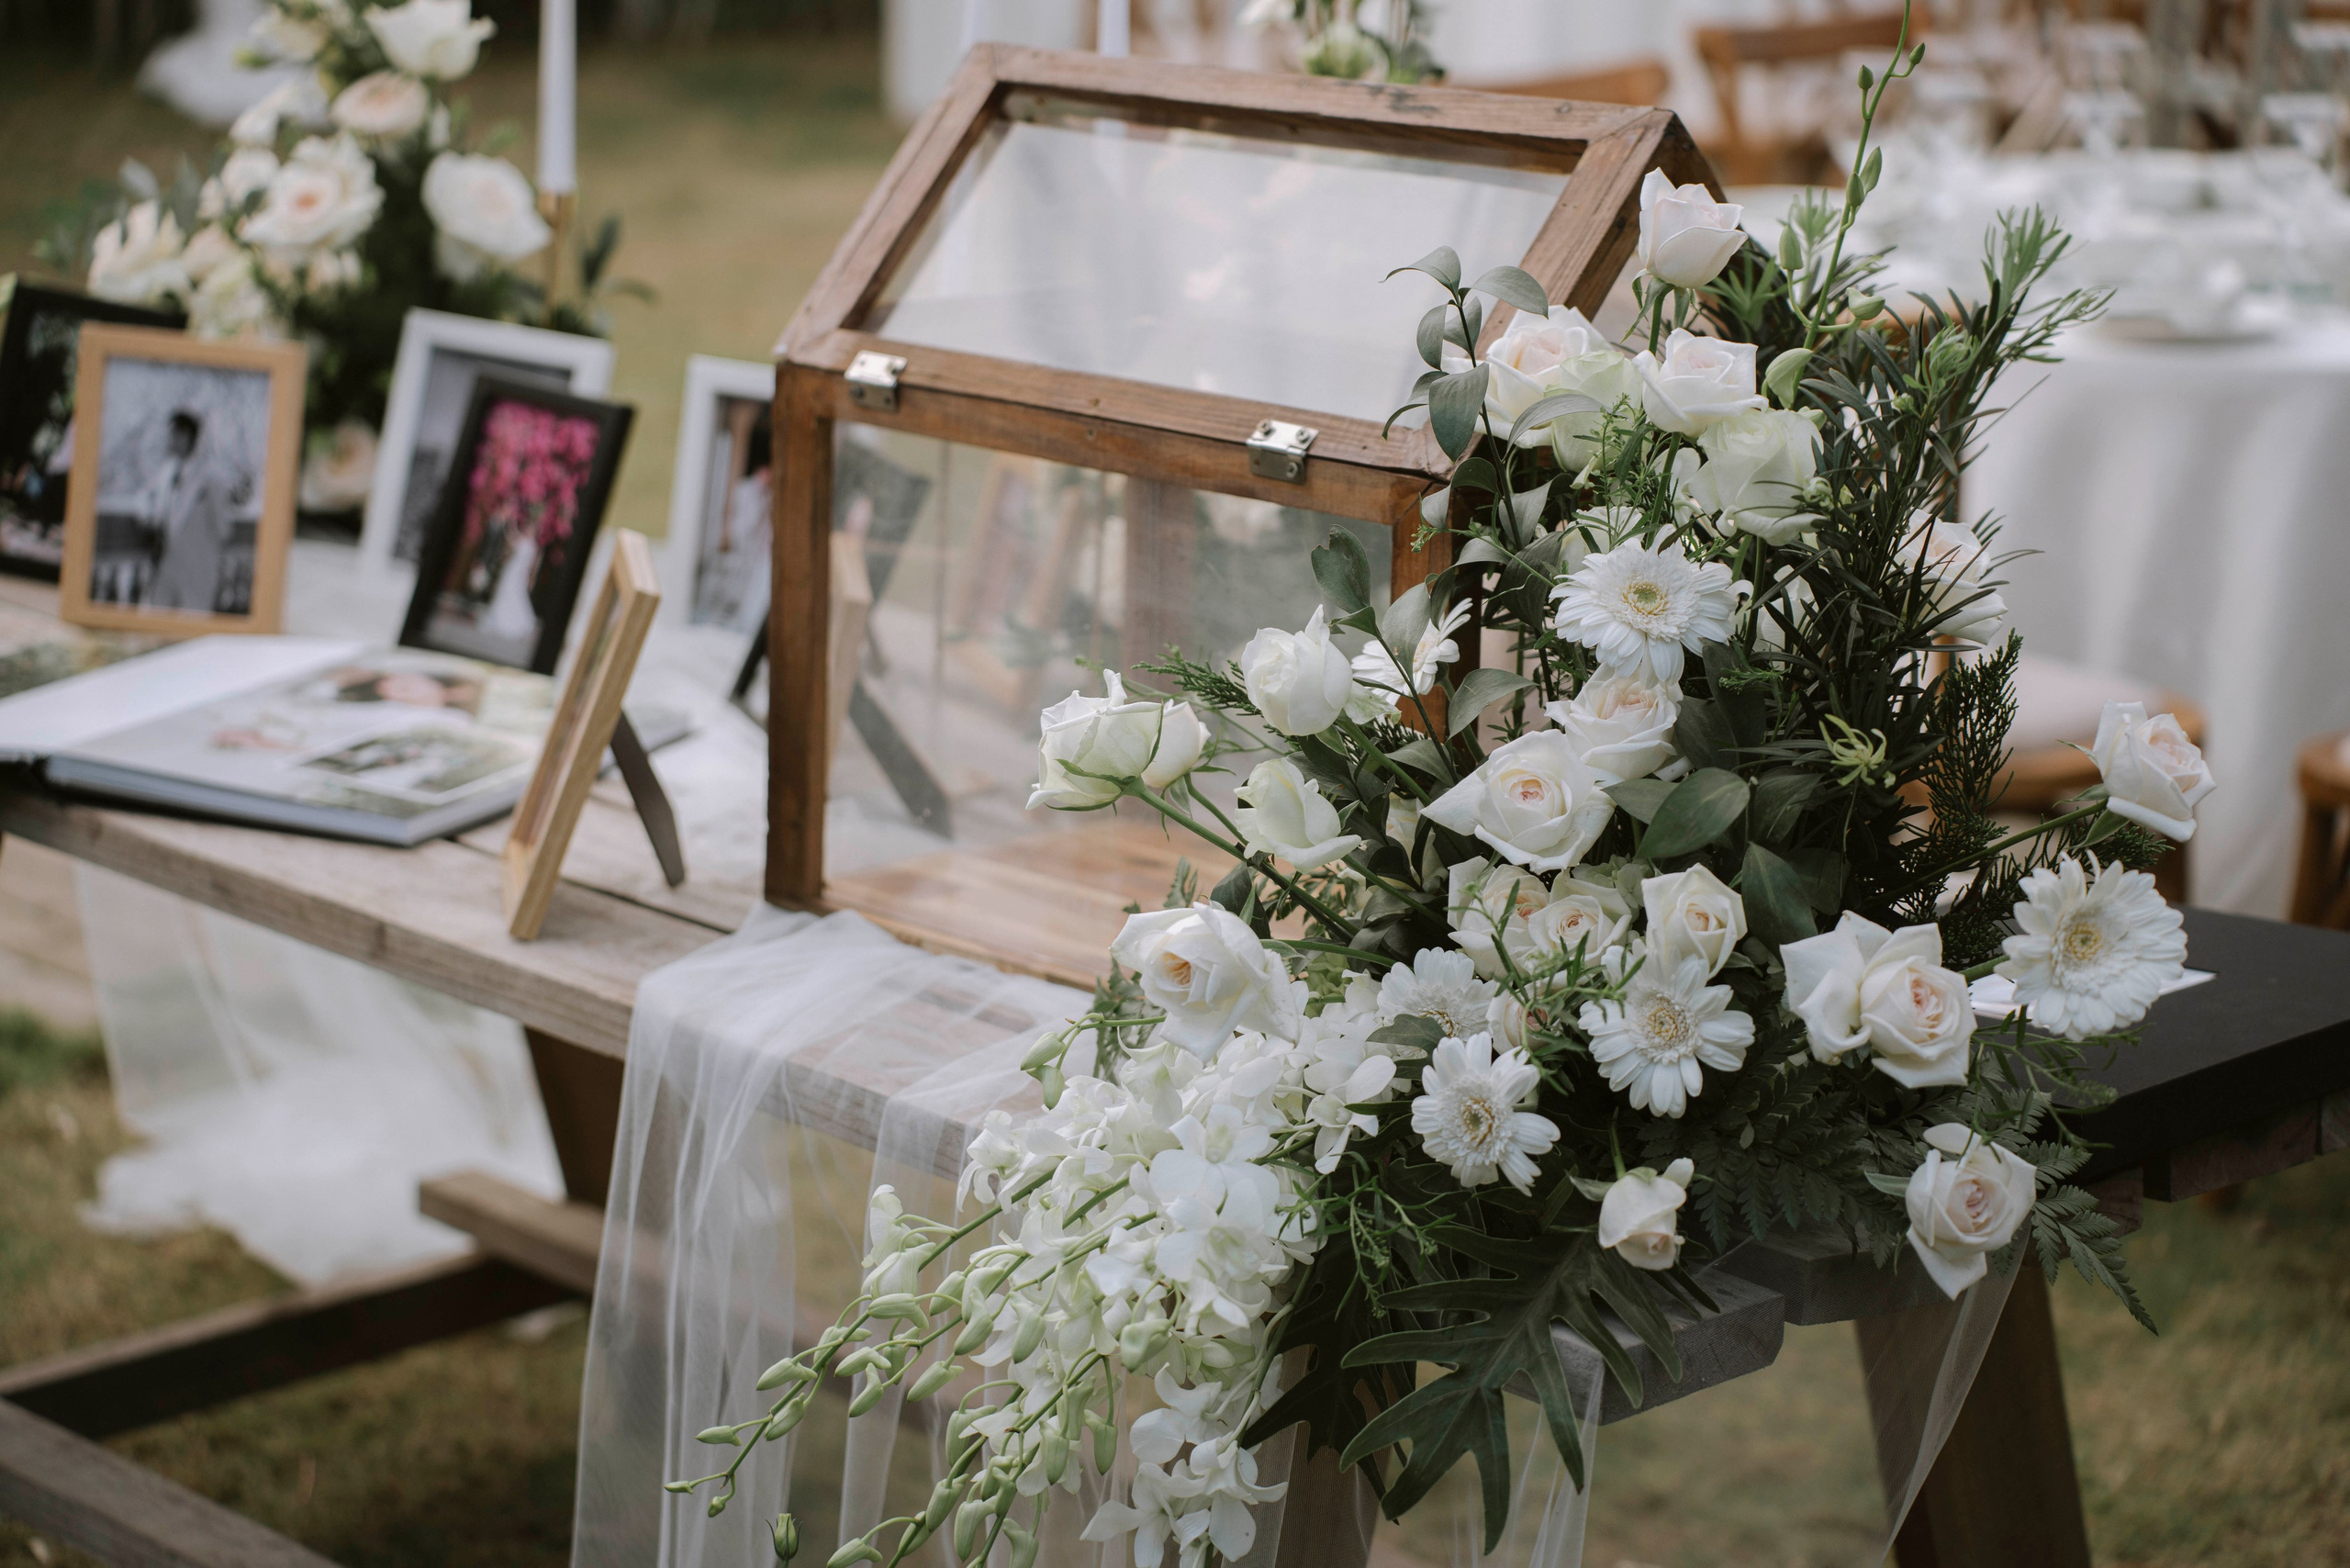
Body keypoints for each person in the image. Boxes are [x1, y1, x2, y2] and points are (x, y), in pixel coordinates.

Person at [142, 409, 236, 613]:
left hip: (199, 571)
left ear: (187, 437)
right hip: (166, 567)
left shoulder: (212, 478)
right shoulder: (167, 473)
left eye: (174, 434)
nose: (169, 440)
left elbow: (223, 529)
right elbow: (148, 502)